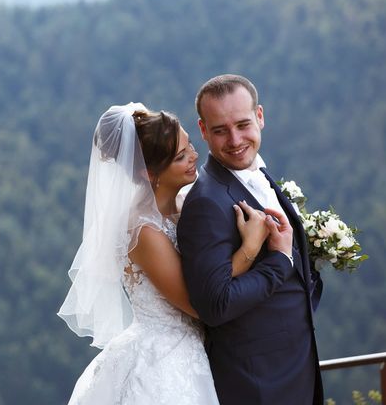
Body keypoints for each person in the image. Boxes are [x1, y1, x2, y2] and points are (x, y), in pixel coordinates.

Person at [58, 102, 291, 404]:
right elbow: (198, 304)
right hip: (162, 362)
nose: (195, 156)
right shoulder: (143, 231)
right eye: (181, 156)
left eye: (190, 145)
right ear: (149, 171)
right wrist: (250, 248)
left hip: (199, 352)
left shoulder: (185, 204)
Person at [177, 74, 324, 405]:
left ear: (260, 116)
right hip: (257, 385)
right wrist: (280, 260)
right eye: (219, 130)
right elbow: (216, 305)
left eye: (243, 124)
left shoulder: (260, 173)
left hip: (294, 367)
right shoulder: (206, 203)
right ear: (202, 131)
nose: (234, 139)